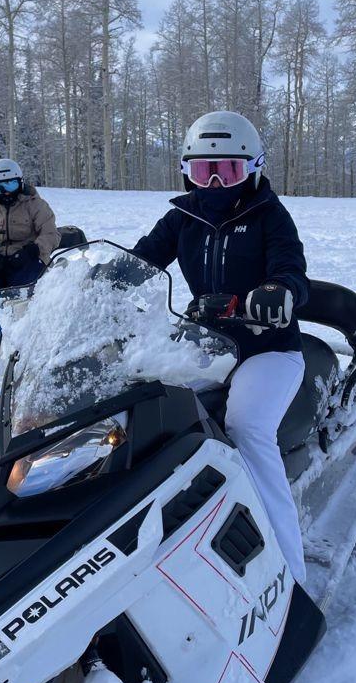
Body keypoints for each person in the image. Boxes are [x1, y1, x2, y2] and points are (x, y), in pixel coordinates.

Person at [132, 110, 309, 585]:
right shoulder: (181, 218)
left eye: (226, 170)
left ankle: (291, 570)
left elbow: (291, 268)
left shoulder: (269, 216)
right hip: (205, 344)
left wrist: (279, 292)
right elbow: (141, 260)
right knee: (143, 405)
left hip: (267, 349)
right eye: (201, 170)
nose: (212, 183)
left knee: (247, 426)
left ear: (253, 168)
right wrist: (100, 278)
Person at [0, 158, 61, 290]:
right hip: (2, 262)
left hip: (31, 259)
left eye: (11, 184)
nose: (6, 192)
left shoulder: (36, 205)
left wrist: (33, 250)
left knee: (21, 290)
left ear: (20, 183)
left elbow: (51, 234)